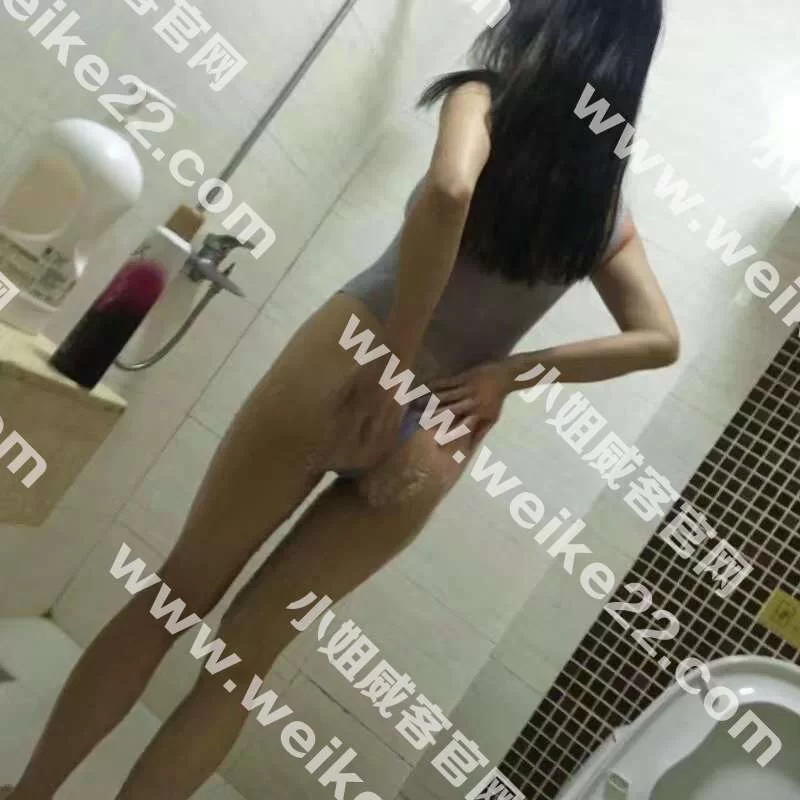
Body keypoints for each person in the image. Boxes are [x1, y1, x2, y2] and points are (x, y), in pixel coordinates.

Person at [3, 0, 676, 797]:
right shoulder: (603, 207)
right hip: (443, 429)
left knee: (175, 596)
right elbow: (658, 339)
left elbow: (451, 190)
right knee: (245, 663)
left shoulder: (483, 98)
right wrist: (510, 374)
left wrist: (396, 354)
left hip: (354, 357)